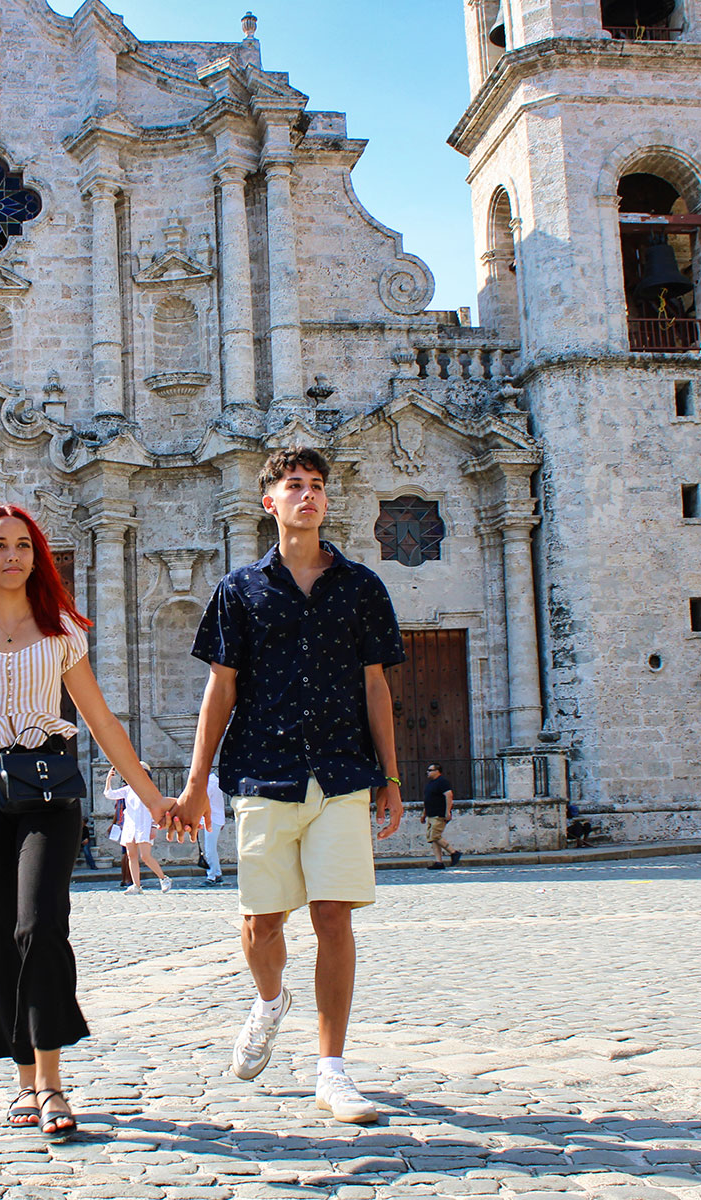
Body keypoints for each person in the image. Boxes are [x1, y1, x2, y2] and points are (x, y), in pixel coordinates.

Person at [0, 503, 175, 1140]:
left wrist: (151, 796)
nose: (13, 556)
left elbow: (101, 722)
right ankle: (25, 1078)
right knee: (2, 932)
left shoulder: (62, 630)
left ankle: (51, 1082)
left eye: (24, 545)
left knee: (41, 923)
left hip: (50, 785)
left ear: (36, 556)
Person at [175, 446, 405, 1125]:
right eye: (293, 486)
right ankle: (271, 1001)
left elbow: (376, 685)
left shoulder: (363, 588)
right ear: (268, 502)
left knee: (333, 916)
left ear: (327, 501)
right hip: (263, 770)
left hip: (339, 772)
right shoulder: (239, 591)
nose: (307, 495)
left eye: (316, 486)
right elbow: (221, 689)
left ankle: (332, 1071)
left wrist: (389, 776)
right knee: (260, 922)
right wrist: (195, 784)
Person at [106, 765, 171, 894]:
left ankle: (164, 878)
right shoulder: (128, 789)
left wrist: (153, 826)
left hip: (144, 825)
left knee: (145, 856)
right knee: (131, 855)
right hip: (130, 825)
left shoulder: (149, 791)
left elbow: (155, 808)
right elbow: (109, 794)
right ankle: (136, 885)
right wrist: (108, 779)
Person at [424, 764, 461, 869]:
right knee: (433, 838)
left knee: (435, 836)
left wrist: (447, 812)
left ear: (437, 771)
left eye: (430, 770)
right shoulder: (430, 784)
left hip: (439, 814)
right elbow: (427, 800)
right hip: (431, 814)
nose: (428, 772)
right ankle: (439, 862)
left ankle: (453, 852)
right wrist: (424, 814)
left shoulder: (442, 782)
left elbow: (449, 795)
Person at [201, 770, 230, 886]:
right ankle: (217, 873)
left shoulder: (210, 784)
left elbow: (203, 802)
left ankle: (211, 875)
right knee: (211, 848)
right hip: (215, 819)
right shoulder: (215, 782)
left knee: (209, 849)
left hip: (212, 819)